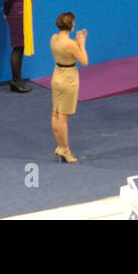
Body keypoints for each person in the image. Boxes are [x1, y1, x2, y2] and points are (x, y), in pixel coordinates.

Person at [50, 11, 88, 163]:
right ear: (70, 25)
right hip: (69, 79)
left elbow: (69, 52)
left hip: (57, 76)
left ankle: (60, 146)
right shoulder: (71, 44)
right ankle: (65, 150)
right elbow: (84, 60)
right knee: (63, 117)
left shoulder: (54, 38)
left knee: (56, 113)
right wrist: (82, 43)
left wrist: (77, 42)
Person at [3, 0, 34, 93]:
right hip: (17, 13)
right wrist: (6, 13)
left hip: (24, 11)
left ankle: (18, 80)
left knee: (21, 46)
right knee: (18, 46)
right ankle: (15, 81)